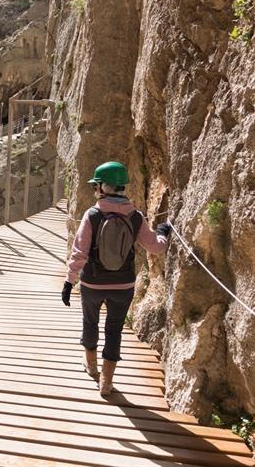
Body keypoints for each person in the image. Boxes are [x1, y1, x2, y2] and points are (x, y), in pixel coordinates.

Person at [62, 161, 171, 396]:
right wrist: (163, 233)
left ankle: (91, 367)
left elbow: (79, 253)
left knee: (90, 323)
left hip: (92, 282)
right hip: (124, 284)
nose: (95, 189)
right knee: (114, 330)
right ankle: (106, 383)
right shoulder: (135, 217)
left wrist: (69, 281)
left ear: (103, 187)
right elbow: (155, 247)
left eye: (96, 185)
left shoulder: (92, 215)